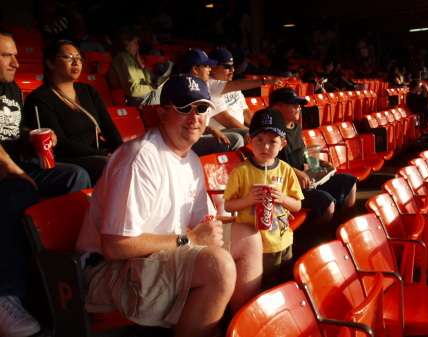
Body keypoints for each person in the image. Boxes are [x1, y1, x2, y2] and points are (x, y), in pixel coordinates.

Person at [75, 74, 263, 337]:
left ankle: (241, 330)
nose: (194, 117)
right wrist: (187, 240)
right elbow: (114, 246)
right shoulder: (140, 159)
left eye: (201, 109)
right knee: (217, 265)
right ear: (162, 114)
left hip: (155, 256)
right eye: (184, 108)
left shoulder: (191, 161)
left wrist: (251, 214)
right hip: (108, 270)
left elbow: (207, 224)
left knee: (249, 237)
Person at [0, 26, 90, 337]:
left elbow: (13, 132)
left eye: (15, 54)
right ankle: (5, 296)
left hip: (18, 164)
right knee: (19, 190)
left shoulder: (11, 89)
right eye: (6, 55)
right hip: (6, 172)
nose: (15, 62)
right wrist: (15, 170)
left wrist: (34, 137)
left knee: (75, 175)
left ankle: (77, 264)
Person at [223, 108, 303, 290]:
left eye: (272, 142)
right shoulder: (241, 170)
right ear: (249, 140)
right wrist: (248, 199)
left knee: (282, 285)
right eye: (259, 140)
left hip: (282, 240)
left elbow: (297, 205)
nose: (265, 147)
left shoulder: (285, 169)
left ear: (282, 144)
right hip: (255, 244)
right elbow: (228, 205)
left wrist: (283, 198)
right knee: (263, 288)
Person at [269, 87, 357, 250]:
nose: (298, 108)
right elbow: (268, 161)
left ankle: (346, 231)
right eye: (293, 105)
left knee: (348, 181)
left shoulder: (295, 127)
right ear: (276, 107)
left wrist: (318, 161)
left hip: (306, 181)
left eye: (299, 105)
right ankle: (320, 245)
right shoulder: (269, 131)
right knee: (326, 201)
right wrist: (296, 172)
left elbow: (299, 153)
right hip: (286, 187)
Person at [24, 39, 123, 184]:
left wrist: (122, 151)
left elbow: (108, 127)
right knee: (107, 165)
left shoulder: (88, 90)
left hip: (97, 153)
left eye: (78, 58)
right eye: (68, 57)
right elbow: (61, 142)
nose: (76, 62)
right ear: (50, 63)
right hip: (67, 159)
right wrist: (103, 154)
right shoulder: (39, 98)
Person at [180, 48, 284, 156]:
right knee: (240, 138)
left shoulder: (206, 85)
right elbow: (225, 118)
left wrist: (262, 128)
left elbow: (243, 104)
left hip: (203, 133)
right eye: (206, 66)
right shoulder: (197, 86)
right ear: (195, 69)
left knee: (252, 136)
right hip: (193, 138)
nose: (209, 69)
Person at [107, 26, 168, 107]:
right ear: (125, 41)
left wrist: (139, 62)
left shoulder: (129, 58)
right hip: (137, 100)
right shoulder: (122, 58)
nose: (138, 47)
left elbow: (148, 80)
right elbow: (133, 91)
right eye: (135, 43)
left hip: (143, 97)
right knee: (171, 89)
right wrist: (153, 87)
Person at [208, 48, 252, 139]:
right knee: (248, 136)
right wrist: (251, 132)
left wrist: (260, 128)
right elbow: (224, 119)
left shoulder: (232, 85)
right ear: (213, 68)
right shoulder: (209, 86)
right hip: (221, 132)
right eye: (227, 67)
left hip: (239, 130)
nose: (232, 70)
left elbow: (245, 111)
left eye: (233, 66)